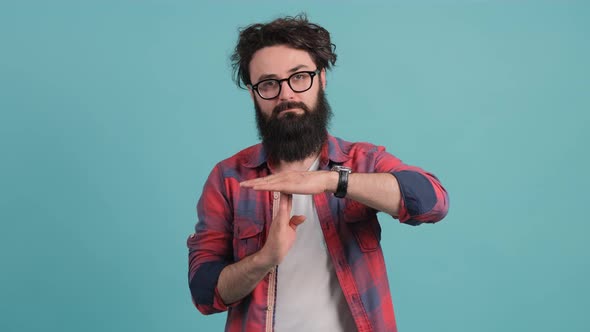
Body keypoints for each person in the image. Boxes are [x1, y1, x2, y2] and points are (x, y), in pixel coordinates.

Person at [187, 14, 449, 332]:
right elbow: (203, 293)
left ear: (321, 78)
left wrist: (331, 180)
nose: (286, 95)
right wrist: (265, 258)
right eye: (269, 84)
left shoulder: (361, 160)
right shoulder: (228, 179)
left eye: (299, 77)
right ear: (255, 94)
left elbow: (431, 202)